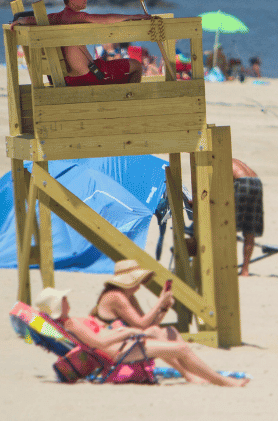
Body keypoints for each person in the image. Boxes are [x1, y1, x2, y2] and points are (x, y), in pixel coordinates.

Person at [40, 283, 247, 387]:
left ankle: (191, 375)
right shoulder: (71, 322)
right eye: (63, 299)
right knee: (181, 348)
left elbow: (97, 340)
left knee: (157, 331)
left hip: (119, 346)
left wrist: (123, 331)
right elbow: (99, 342)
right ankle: (224, 382)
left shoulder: (66, 323)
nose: (67, 300)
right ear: (59, 305)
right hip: (119, 351)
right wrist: (127, 332)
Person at [8, 0, 149, 86]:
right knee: (136, 65)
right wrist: (133, 16)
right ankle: (130, 100)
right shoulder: (76, 16)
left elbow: (31, 19)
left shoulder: (55, 18)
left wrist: (20, 21)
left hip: (67, 78)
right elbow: (105, 19)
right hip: (90, 75)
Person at [232, 159, 264, 277]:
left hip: (241, 182)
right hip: (256, 182)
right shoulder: (235, 160)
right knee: (249, 229)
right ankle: (245, 270)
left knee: (229, 227)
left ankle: (229, 267)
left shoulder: (217, 160)